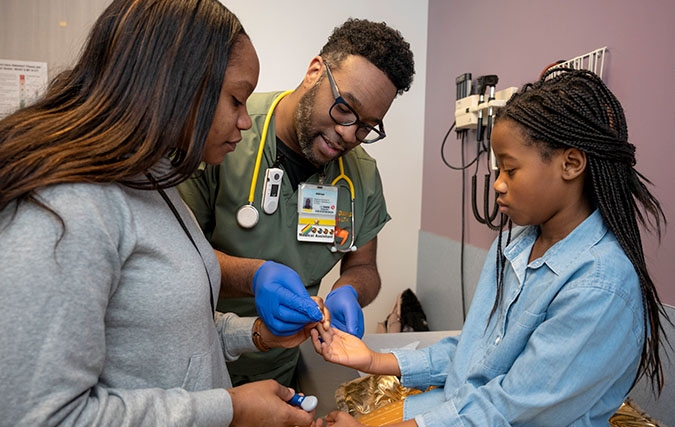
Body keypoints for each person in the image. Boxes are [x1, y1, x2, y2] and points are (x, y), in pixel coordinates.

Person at [0, 0, 322, 425]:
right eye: (236, 100)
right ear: (177, 84)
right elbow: (43, 417)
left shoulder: (153, 178)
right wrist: (233, 409)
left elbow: (171, 335)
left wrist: (258, 334)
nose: (245, 121)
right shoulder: (66, 206)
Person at [311, 69, 670, 426]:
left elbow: (510, 409)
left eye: (510, 171)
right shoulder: (514, 243)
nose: (497, 185)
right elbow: (476, 355)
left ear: (571, 164)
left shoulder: (599, 286)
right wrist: (372, 360)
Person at [178, 18, 415, 387]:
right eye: (344, 108)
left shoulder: (361, 176)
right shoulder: (225, 129)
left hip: (278, 370)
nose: (349, 134)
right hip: (196, 362)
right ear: (315, 71)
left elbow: (365, 266)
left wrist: (349, 291)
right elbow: (177, 258)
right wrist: (254, 277)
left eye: (368, 126)